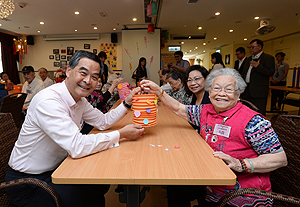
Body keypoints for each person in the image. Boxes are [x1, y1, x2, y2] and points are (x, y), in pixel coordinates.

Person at [5, 50, 144, 207]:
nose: (88, 81)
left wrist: (127, 103)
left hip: (57, 168)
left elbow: (103, 121)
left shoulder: (79, 100)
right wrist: (120, 134)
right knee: (88, 198)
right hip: (28, 182)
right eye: (83, 73)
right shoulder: (49, 101)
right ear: (68, 71)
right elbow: (77, 145)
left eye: (94, 77)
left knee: (99, 185)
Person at [140, 68, 287, 207]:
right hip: (210, 181)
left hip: (242, 192)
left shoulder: (253, 122)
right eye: (216, 89)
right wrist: (159, 91)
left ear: (238, 94)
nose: (221, 93)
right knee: (176, 188)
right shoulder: (206, 110)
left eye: (228, 89)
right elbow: (179, 108)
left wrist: (240, 164)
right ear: (209, 93)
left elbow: (280, 158)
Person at [242, 39, 275, 116]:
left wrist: (258, 66)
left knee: (259, 112)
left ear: (260, 47)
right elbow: (244, 73)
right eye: (249, 47)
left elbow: (270, 72)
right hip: (247, 90)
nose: (250, 49)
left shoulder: (268, 58)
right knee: (245, 112)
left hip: (259, 91)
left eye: (253, 47)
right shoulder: (248, 59)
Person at [184, 65, 210, 133]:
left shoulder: (211, 98)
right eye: (189, 80)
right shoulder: (194, 96)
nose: (192, 83)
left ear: (206, 79)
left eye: (197, 78)